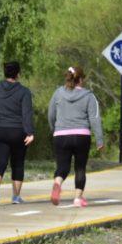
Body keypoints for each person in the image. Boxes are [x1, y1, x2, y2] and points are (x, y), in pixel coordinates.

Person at [48, 66, 104, 207]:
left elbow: (51, 114)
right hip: (81, 135)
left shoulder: (58, 93)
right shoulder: (89, 96)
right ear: (80, 79)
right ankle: (78, 199)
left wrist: (54, 129)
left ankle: (57, 182)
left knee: (63, 167)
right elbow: (95, 118)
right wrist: (99, 140)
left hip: (61, 135)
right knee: (80, 168)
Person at [0, 61, 35, 206]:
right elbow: (26, 114)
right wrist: (30, 132)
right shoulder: (24, 91)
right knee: (17, 164)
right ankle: (15, 197)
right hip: (16, 131)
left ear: (5, 73)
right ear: (18, 74)